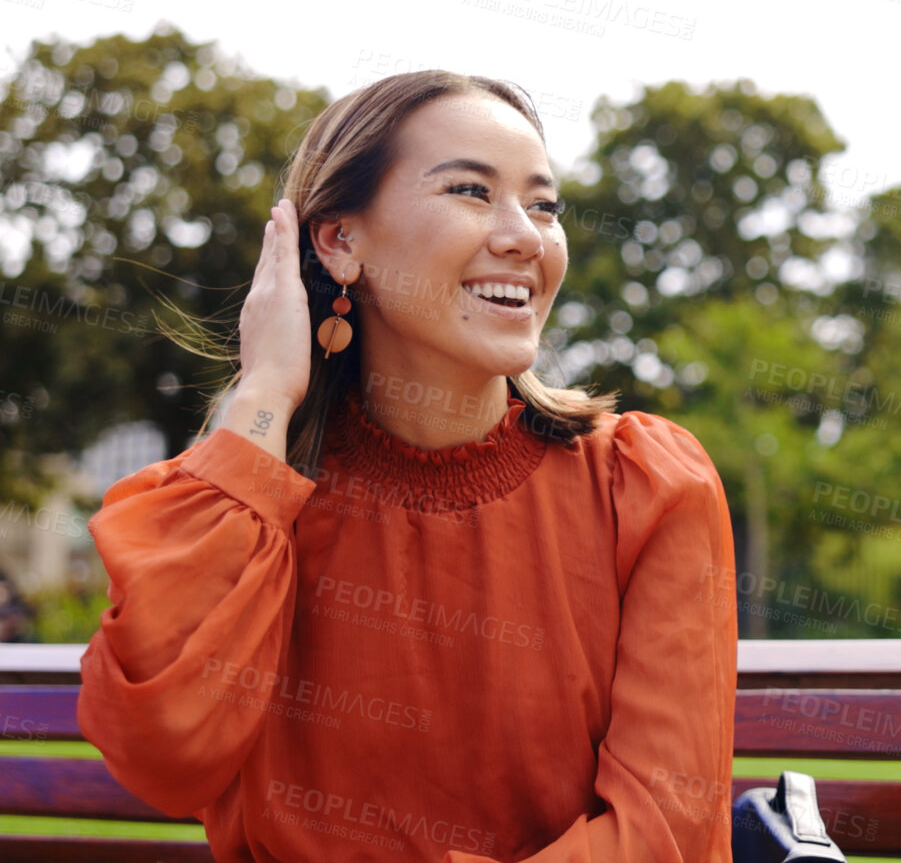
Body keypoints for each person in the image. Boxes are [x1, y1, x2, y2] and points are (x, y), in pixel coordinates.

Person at [77, 71, 737, 861]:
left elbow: (666, 832)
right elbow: (166, 752)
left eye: (544, 204)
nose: (524, 235)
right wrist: (264, 392)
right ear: (339, 239)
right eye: (469, 190)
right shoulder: (247, 502)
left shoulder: (646, 484)